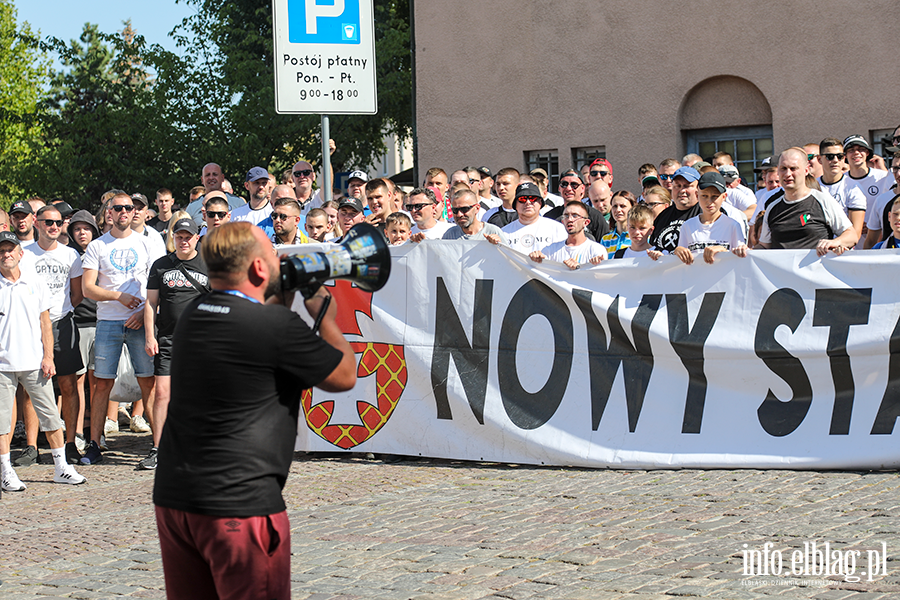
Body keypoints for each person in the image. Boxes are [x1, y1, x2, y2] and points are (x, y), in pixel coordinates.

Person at [153, 222, 357, 599]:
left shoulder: (195, 313)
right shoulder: (276, 326)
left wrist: (280, 298)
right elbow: (344, 376)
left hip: (175, 498)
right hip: (239, 506)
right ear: (259, 269)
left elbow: (252, 330)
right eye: (272, 256)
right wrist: (322, 314)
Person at [0, 231, 86, 490]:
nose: (6, 255)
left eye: (10, 250)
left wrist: (48, 356)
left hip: (35, 361)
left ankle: (61, 467)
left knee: (50, 416)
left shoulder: (35, 282)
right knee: (3, 421)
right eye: (1, 251)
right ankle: (5, 470)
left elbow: (45, 322)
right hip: (2, 365)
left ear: (20, 253)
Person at [80, 193, 157, 465]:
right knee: (101, 384)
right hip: (109, 321)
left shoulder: (147, 243)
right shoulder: (98, 246)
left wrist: (142, 312)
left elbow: (157, 285)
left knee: (148, 382)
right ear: (109, 213)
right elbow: (87, 288)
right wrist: (118, 297)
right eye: (119, 208)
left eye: (129, 207)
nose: (125, 211)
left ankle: (159, 445)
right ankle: (95, 443)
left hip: (140, 321)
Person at [142, 218, 209, 471]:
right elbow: (150, 304)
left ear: (196, 238)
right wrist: (150, 336)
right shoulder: (161, 265)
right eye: (179, 236)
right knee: (162, 393)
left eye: (188, 236)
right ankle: (158, 448)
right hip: (168, 339)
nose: (183, 241)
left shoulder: (207, 265)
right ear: (173, 237)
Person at [23, 205, 86, 465]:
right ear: (36, 223)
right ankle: (31, 446)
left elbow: (77, 294)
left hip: (62, 322)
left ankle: (70, 443)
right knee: (31, 386)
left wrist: (61, 311)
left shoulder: (71, 255)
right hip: (31, 324)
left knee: (69, 384)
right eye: (48, 222)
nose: (53, 227)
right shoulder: (24, 253)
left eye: (58, 223)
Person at [757, 147, 856, 254]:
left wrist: (836, 242)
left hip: (816, 269)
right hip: (780, 270)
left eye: (793, 168)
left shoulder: (822, 200)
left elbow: (851, 235)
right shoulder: (772, 207)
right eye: (783, 168)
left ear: (806, 170)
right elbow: (764, 246)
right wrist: (746, 252)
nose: (787, 174)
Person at [67, 210, 100, 458]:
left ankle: (96, 436)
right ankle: (77, 433)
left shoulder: (101, 250)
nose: (81, 233)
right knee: (77, 380)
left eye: (86, 228)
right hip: (77, 323)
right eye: (77, 229)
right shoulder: (68, 255)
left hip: (101, 322)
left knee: (97, 380)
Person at [673, 171, 748, 265]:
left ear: (724, 197)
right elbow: (680, 258)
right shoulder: (688, 226)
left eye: (715, 196)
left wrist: (723, 250)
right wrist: (679, 250)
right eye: (704, 196)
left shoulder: (733, 225)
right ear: (697, 195)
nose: (709, 201)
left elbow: (741, 257)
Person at [817, 137, 867, 243]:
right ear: (819, 159)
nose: (835, 160)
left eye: (839, 156)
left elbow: (855, 234)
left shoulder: (854, 188)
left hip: (842, 252)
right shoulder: (812, 187)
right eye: (830, 156)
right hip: (815, 248)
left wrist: (834, 243)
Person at [529, 201, 605, 269]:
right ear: (562, 222)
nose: (570, 219)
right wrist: (535, 260)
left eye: (575, 215)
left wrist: (579, 269)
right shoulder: (551, 250)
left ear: (586, 222)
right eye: (566, 216)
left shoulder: (596, 250)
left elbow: (601, 278)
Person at [501, 182, 567, 254]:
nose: (528, 202)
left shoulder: (557, 229)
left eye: (533, 198)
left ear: (540, 203)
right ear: (515, 205)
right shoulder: (504, 233)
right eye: (522, 199)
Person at [650, 166, 703, 253]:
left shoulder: (706, 214)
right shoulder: (663, 216)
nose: (682, 190)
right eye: (677, 186)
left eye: (687, 186)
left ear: (698, 189)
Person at [865, 152, 900, 248]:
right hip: (887, 259)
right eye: (895, 169)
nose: (898, 173)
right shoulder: (882, 199)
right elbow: (871, 240)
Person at [600, 191, 635, 256]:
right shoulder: (605, 240)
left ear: (632, 208)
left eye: (622, 206)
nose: (618, 210)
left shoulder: (641, 237)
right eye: (615, 206)